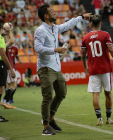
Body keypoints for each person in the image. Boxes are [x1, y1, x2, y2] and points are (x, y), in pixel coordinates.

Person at [34, 4, 93, 135]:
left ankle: (51, 118)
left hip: (56, 67)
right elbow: (37, 49)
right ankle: (45, 127)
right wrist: (56, 50)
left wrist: (82, 17)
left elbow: (68, 24)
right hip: (45, 68)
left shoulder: (54, 28)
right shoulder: (40, 30)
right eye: (51, 11)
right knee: (47, 97)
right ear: (46, 16)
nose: (54, 13)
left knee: (61, 93)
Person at [81, 14, 113, 126]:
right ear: (101, 24)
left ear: (91, 24)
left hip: (93, 69)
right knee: (108, 93)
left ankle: (99, 119)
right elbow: (111, 49)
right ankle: (108, 119)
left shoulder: (85, 37)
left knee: (96, 94)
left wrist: (85, 67)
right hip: (106, 68)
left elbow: (83, 54)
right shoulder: (105, 35)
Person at [1, 31, 22, 107]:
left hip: (10, 67)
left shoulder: (13, 47)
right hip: (9, 68)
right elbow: (12, 41)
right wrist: (9, 30)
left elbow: (16, 55)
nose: (6, 38)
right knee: (13, 86)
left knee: (9, 86)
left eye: (7, 37)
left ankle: (6, 101)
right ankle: (5, 100)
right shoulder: (4, 45)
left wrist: (19, 60)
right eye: (5, 37)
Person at [0, 20, 16, 122]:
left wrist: (9, 32)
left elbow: (12, 42)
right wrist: (10, 68)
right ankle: (5, 100)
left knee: (4, 87)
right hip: (1, 65)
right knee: (1, 88)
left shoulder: (3, 40)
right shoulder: (1, 39)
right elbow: (3, 54)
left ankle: (6, 100)